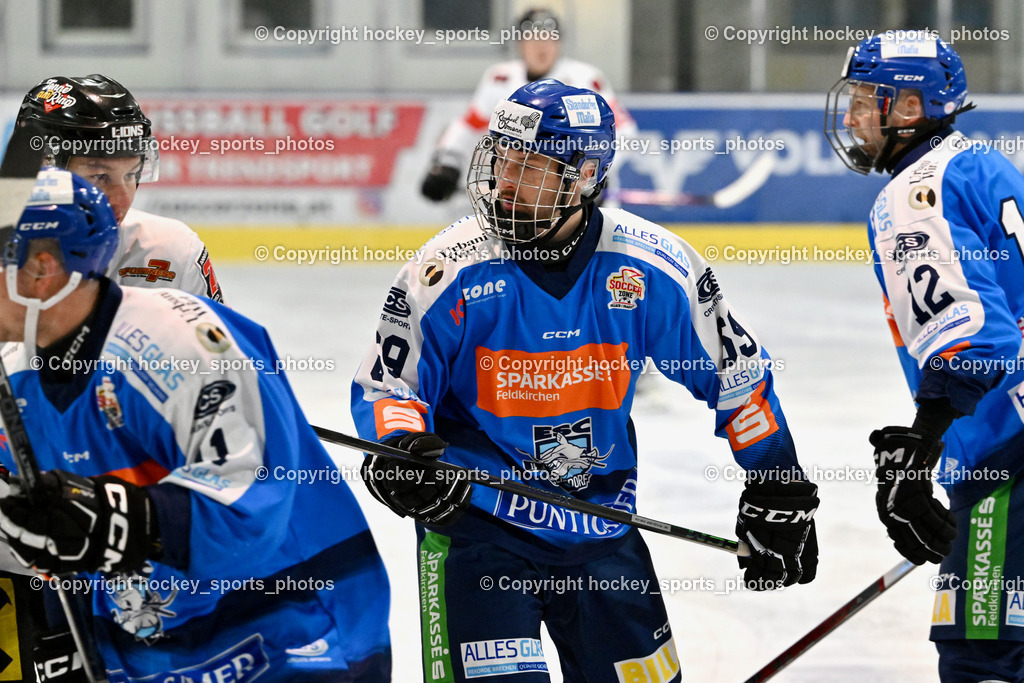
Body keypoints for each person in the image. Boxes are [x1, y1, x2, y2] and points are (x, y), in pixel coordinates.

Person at [354, 79, 818, 682]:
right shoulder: (449, 270)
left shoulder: (652, 267)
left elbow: (735, 377)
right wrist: (399, 449)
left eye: (529, 167)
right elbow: (391, 385)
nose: (503, 183)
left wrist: (776, 484)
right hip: (477, 529)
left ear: (582, 176)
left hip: (604, 530)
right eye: (502, 161)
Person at [0, 168, 391, 682]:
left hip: (292, 630)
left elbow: (249, 504)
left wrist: (111, 520)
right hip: (155, 647)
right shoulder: (22, 370)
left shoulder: (177, 344)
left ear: (41, 270)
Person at [826, 33, 1024, 681]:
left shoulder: (915, 194)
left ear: (909, 107)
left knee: (983, 653)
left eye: (864, 100)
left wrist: (921, 448)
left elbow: (976, 338)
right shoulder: (986, 166)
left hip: (1008, 456)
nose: (853, 116)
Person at [17, 73, 224, 302]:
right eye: (100, 176)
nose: (123, 200)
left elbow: (218, 337)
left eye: (131, 174)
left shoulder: (176, 253)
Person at [420, 7, 635, 204]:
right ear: (521, 44)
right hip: (515, 193)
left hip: (574, 198)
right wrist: (447, 163)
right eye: (533, 39)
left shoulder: (585, 80)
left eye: (549, 39)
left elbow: (622, 130)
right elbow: (469, 126)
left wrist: (593, 173)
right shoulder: (499, 79)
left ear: (558, 44)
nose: (542, 46)